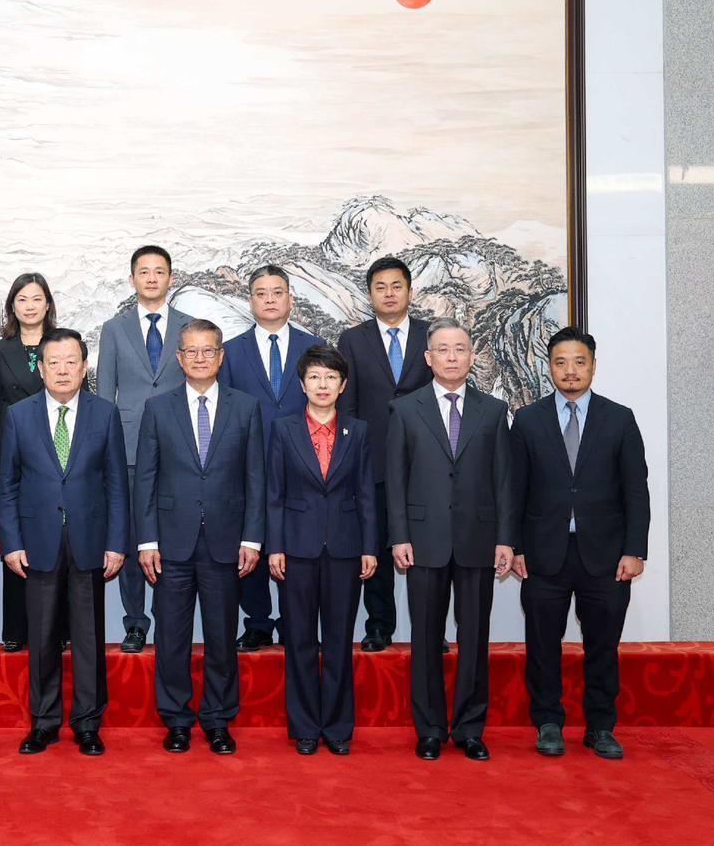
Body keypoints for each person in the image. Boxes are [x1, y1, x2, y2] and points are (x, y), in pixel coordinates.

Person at [511, 327, 649, 760]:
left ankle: (601, 727)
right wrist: (514, 547)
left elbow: (635, 490)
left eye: (579, 362)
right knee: (542, 645)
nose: (570, 371)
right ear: (548, 366)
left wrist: (635, 549)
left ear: (593, 364)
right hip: (543, 552)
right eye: (560, 362)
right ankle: (548, 723)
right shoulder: (529, 419)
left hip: (606, 556)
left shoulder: (619, 418)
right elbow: (515, 488)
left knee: (603, 646)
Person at [387, 316, 516, 762]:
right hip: (423, 541)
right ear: (428, 357)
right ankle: (429, 729)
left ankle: (469, 727)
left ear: (472, 355)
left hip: (479, 539)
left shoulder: (494, 410)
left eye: (460, 348)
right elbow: (395, 478)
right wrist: (398, 536)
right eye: (443, 349)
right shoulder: (405, 410)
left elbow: (505, 481)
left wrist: (506, 539)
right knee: (425, 637)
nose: (452, 356)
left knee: (475, 637)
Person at [133, 320, 265, 755]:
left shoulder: (245, 408)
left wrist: (253, 538)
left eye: (208, 351)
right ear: (179, 358)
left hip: (227, 542)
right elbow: (146, 479)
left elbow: (255, 479)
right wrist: (146, 541)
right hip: (170, 543)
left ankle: (218, 719)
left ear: (221, 356)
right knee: (171, 636)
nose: (200, 358)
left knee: (222, 635)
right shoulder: (158, 407)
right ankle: (176, 719)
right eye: (191, 351)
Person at [0, 328, 128, 757]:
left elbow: (115, 483)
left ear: (84, 366)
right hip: (37, 542)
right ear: (41, 368)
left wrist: (117, 542)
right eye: (53, 361)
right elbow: (8, 486)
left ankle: (88, 723)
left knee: (89, 637)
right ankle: (44, 722)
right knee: (41, 635)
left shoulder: (104, 414)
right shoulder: (18, 415)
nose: (62, 369)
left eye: (71, 361)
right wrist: (13, 542)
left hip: (90, 540)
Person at [266, 346, 378, 755]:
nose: (323, 385)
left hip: (346, 549)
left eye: (331, 378)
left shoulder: (359, 431)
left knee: (337, 640)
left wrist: (369, 546)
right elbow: (273, 494)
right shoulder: (283, 430)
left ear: (343, 385)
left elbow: (367, 494)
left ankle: (337, 727)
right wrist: (274, 546)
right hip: (295, 548)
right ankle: (305, 727)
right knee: (298, 639)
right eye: (315, 377)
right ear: (302, 384)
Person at [219, 264, 323, 650]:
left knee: (297, 542)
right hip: (249, 462)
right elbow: (225, 410)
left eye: (277, 292)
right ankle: (258, 622)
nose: (270, 299)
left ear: (290, 299)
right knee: (252, 543)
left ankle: (297, 620)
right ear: (250, 301)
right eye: (261, 293)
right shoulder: (231, 351)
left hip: (304, 463)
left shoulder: (314, 348)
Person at [96, 244, 193, 653]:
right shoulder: (114, 329)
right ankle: (135, 622)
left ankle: (171, 620)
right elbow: (104, 395)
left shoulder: (190, 328)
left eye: (159, 272)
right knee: (135, 539)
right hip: (130, 447)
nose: (152, 278)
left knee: (173, 539)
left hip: (182, 448)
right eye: (144, 272)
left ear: (170, 278)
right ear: (132, 278)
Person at [337, 256, 431, 652]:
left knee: (428, 549)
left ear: (410, 291)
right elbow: (349, 406)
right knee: (375, 547)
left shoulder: (431, 335)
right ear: (370, 293)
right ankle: (379, 626)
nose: (389, 293)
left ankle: (430, 631)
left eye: (396, 286)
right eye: (380, 287)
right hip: (372, 461)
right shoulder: (353, 340)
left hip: (425, 461)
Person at [0, 272, 68, 653]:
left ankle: (62, 627)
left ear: (47, 304)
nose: (30, 306)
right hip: (14, 453)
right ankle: (17, 628)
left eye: (37, 298)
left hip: (60, 454)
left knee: (61, 539)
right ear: (12, 306)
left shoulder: (63, 343)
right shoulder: (0, 351)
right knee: (17, 537)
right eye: (22, 299)